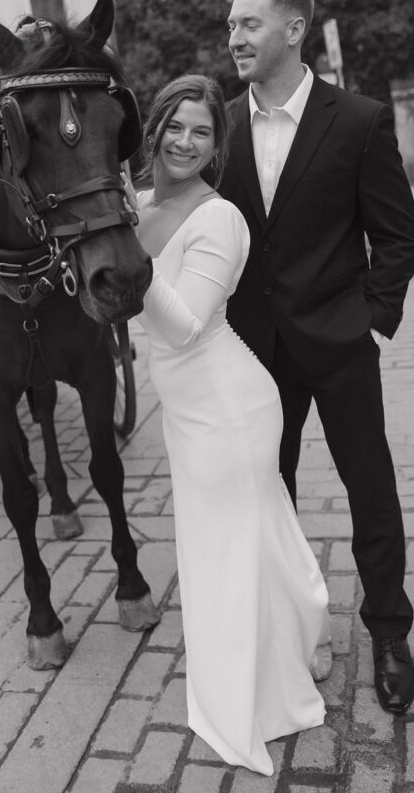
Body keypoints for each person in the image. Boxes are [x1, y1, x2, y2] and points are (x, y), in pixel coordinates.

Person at [219, 0, 414, 715]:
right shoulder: (221, 126)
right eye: (231, 26)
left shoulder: (360, 120)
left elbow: (396, 238)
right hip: (254, 349)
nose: (233, 37)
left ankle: (390, 632)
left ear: (295, 29)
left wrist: (369, 317)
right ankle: (292, 627)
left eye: (248, 24)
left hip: (338, 341)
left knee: (371, 487)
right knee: (269, 494)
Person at [133, 74, 330, 776]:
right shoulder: (138, 208)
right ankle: (295, 636)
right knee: (238, 544)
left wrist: (129, 263)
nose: (185, 142)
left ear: (217, 146)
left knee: (226, 554)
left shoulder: (217, 218)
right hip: (189, 413)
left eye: (203, 131)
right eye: (175, 126)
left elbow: (184, 327)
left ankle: (255, 692)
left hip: (228, 405)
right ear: (152, 130)